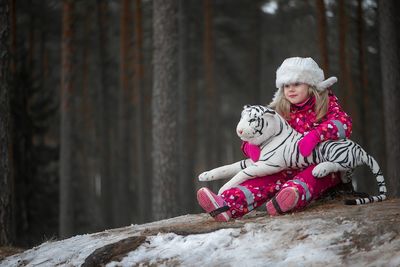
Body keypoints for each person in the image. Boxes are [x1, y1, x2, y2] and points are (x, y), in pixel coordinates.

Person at [197, 57, 352, 222]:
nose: (291, 89)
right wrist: (251, 147)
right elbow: (257, 133)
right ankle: (227, 204)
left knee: (312, 175)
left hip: (325, 163)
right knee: (264, 178)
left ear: (311, 84)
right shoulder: (278, 112)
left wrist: (316, 135)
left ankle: (290, 197)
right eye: (286, 85)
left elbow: (344, 124)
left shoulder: (326, 104)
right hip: (287, 164)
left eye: (297, 84)